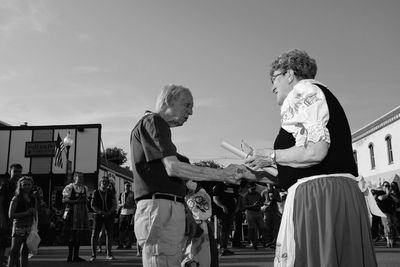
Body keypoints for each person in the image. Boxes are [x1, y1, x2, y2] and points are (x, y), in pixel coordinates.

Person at [245, 49, 377, 267]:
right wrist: (264, 165)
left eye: (274, 78)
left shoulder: (303, 90)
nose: (272, 87)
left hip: (320, 196)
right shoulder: (314, 95)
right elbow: (299, 169)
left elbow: (315, 152)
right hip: (330, 192)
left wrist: (270, 154)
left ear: (289, 74)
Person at [130, 84, 252, 267]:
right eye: (187, 105)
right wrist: (223, 174)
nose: (191, 112)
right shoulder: (153, 121)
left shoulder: (158, 129)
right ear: (167, 101)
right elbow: (174, 168)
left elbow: (173, 173)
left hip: (167, 206)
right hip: (159, 208)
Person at [182, 180, 218, 267]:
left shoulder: (197, 188)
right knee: (193, 255)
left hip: (201, 224)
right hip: (193, 224)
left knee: (204, 255)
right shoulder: (188, 186)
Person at [8, 176, 37, 267]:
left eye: (29, 184)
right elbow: (11, 215)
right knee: (14, 252)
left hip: (29, 227)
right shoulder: (16, 198)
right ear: (20, 185)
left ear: (32, 185)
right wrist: (26, 213)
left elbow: (35, 212)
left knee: (25, 252)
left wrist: (34, 212)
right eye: (24, 184)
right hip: (18, 227)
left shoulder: (33, 198)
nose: (27, 187)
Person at [62, 172, 89, 262]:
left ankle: (76, 256)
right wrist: (76, 201)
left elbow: (87, 200)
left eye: (82, 177)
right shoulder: (70, 187)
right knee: (72, 234)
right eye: (79, 177)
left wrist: (85, 201)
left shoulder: (85, 188)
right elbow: (64, 200)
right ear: (74, 178)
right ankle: (70, 256)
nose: (81, 179)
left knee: (78, 235)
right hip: (72, 212)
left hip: (82, 213)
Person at [0, 163, 23, 267]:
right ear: (10, 172)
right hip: (5, 218)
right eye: (15, 171)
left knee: (15, 247)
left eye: (19, 172)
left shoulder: (20, 186)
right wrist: (2, 219)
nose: (17, 174)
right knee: (2, 245)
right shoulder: (5, 185)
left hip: (16, 220)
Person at [90, 175, 117, 261]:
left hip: (109, 215)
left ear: (108, 183)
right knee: (95, 234)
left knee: (109, 234)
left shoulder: (111, 192)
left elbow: (114, 204)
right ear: (100, 183)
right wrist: (100, 212)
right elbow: (92, 205)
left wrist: (110, 212)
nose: (104, 183)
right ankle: (93, 255)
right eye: (103, 182)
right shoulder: (96, 192)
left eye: (106, 182)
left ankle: (109, 254)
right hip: (98, 215)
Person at [212, 182, 239, 256]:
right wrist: (222, 206)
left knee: (227, 230)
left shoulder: (233, 186)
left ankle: (225, 248)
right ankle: (221, 248)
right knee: (223, 229)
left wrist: (236, 208)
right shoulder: (219, 185)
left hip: (231, 212)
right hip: (221, 213)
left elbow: (237, 198)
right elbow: (215, 198)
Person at [242, 183, 267, 250]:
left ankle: (264, 243)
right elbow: (244, 206)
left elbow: (262, 202)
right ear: (249, 188)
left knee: (263, 228)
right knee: (252, 229)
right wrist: (253, 205)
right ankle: (254, 244)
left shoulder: (258, 194)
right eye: (252, 189)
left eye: (254, 188)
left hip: (258, 212)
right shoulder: (246, 196)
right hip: (250, 213)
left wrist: (259, 204)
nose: (253, 190)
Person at [377, 181, 396, 248]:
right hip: (384, 213)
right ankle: (389, 241)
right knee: (387, 226)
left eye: (388, 185)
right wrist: (387, 193)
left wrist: (390, 194)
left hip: (392, 212)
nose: (387, 187)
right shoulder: (380, 192)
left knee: (392, 226)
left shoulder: (390, 194)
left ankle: (392, 240)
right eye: (385, 185)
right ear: (382, 187)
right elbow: (381, 198)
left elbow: (397, 200)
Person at [117, 183, 136, 250]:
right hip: (122, 213)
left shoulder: (133, 194)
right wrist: (122, 205)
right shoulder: (122, 194)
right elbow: (119, 204)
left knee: (129, 230)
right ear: (124, 186)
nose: (127, 187)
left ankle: (129, 244)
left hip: (130, 213)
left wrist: (132, 209)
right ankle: (120, 244)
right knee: (121, 229)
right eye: (126, 186)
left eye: (128, 186)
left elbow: (135, 204)